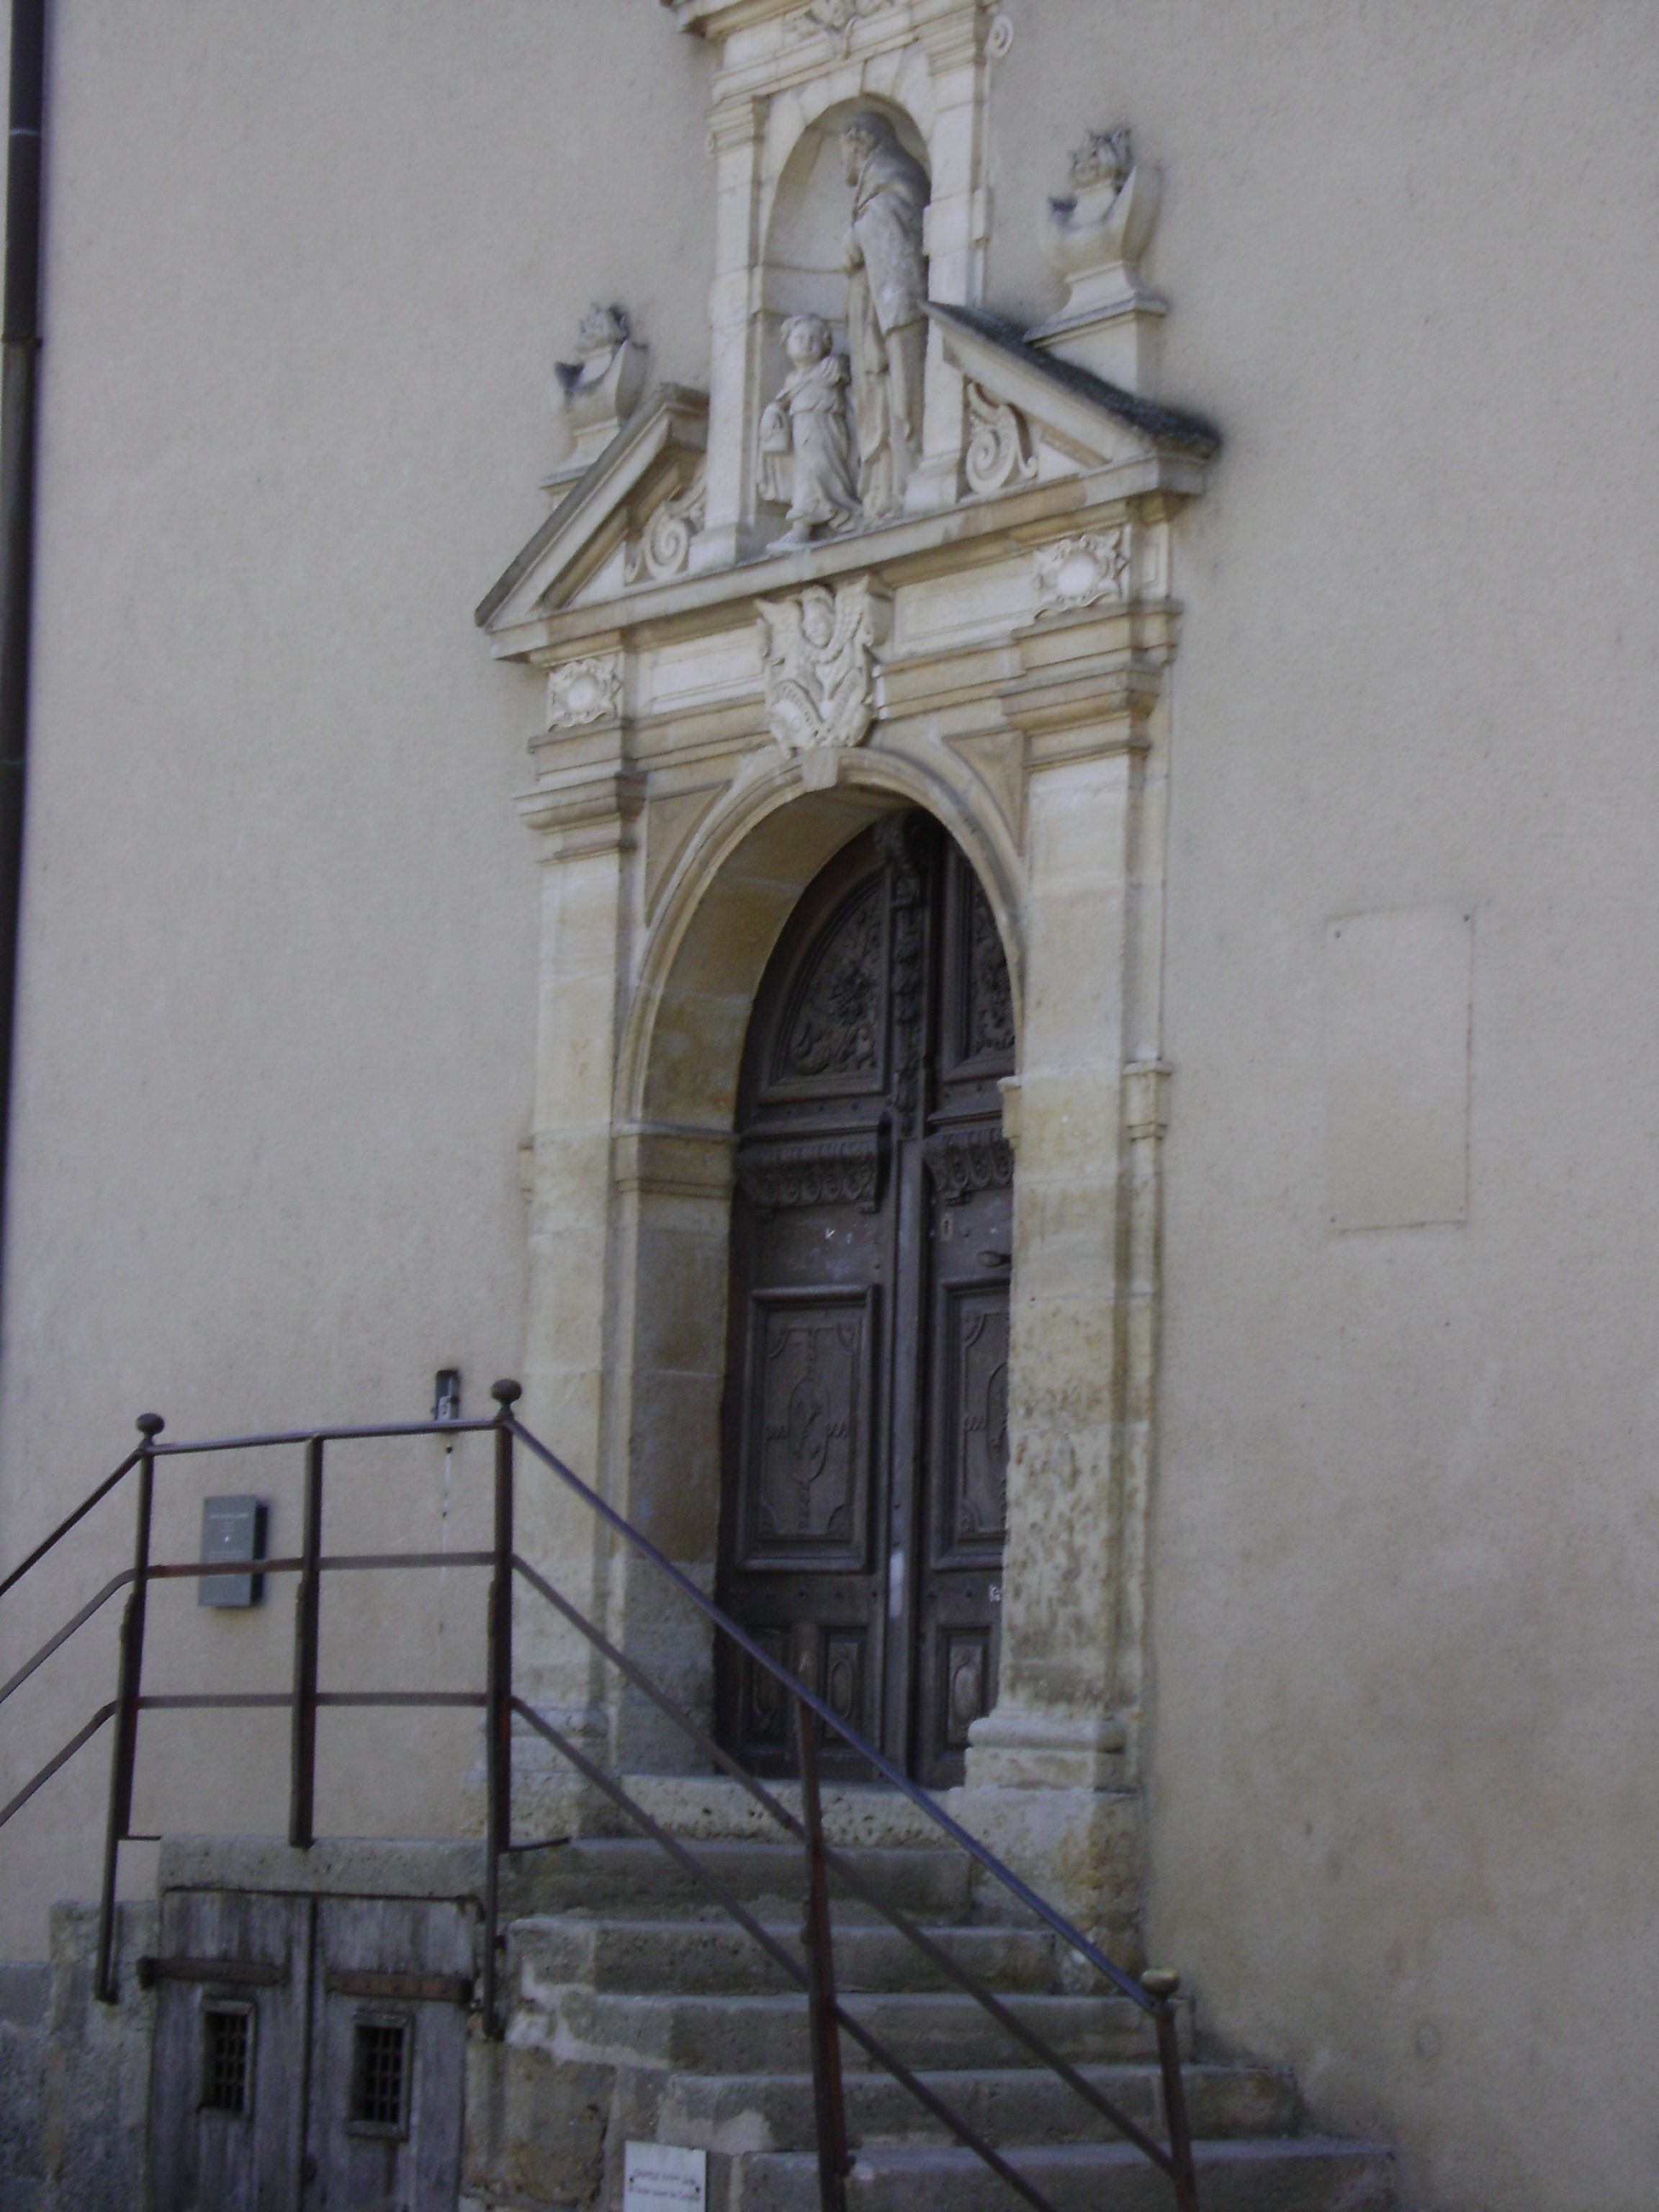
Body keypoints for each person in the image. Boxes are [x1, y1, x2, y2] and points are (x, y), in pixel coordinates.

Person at [839, 111, 930, 516]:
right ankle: (882, 488)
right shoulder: (874, 187)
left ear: (861, 143)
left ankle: (902, 481)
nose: (843, 161)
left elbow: (898, 217)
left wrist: (858, 236)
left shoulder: (894, 175)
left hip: (893, 314)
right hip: (871, 318)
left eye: (844, 151)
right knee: (875, 397)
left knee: (899, 395)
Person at [757, 313, 860, 549]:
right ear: (787, 345)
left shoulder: (830, 368)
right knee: (807, 473)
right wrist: (772, 411)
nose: (807, 343)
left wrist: (840, 362)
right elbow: (781, 402)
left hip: (828, 430)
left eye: (814, 338)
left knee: (822, 470)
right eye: (800, 338)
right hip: (803, 434)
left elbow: (849, 371)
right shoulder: (793, 380)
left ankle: (819, 522)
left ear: (825, 344)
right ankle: (808, 524)